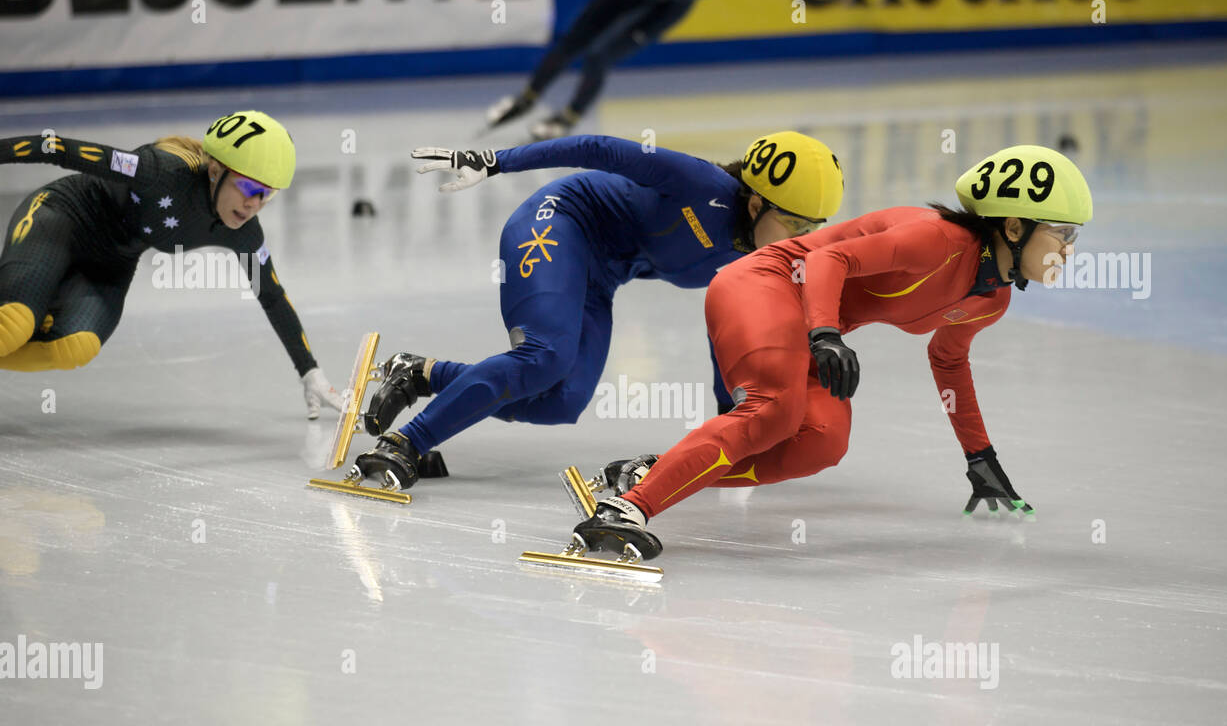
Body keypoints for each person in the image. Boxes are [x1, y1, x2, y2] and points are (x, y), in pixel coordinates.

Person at [570, 145, 1094, 561]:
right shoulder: (937, 240)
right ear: (1014, 226)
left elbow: (949, 361)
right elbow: (830, 261)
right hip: (765, 281)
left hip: (810, 319)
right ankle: (625, 510)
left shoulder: (990, 299)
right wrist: (825, 334)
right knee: (774, 411)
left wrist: (980, 457)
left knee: (821, 442)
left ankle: (650, 473)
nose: (1069, 250)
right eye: (1062, 234)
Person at [348, 131, 843, 490]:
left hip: (600, 277)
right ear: (756, 203)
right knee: (545, 357)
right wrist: (497, 161)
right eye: (794, 222)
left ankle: (422, 374)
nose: (803, 239)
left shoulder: (758, 261)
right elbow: (597, 149)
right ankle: (404, 443)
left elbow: (727, 332)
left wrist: (731, 413)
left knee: (561, 402)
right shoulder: (698, 184)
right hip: (560, 221)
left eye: (812, 226)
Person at [0, 110, 343, 418]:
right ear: (215, 170)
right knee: (13, 325)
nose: (254, 204)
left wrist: (310, 371)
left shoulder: (243, 233)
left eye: (266, 194)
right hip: (63, 218)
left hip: (110, 263)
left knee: (75, 347)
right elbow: (56, 148)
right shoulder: (161, 171)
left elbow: (271, 295)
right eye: (248, 187)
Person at [485, 0, 721, 141]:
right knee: (570, 42)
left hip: (658, 9)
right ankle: (527, 98)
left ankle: (569, 117)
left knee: (598, 56)